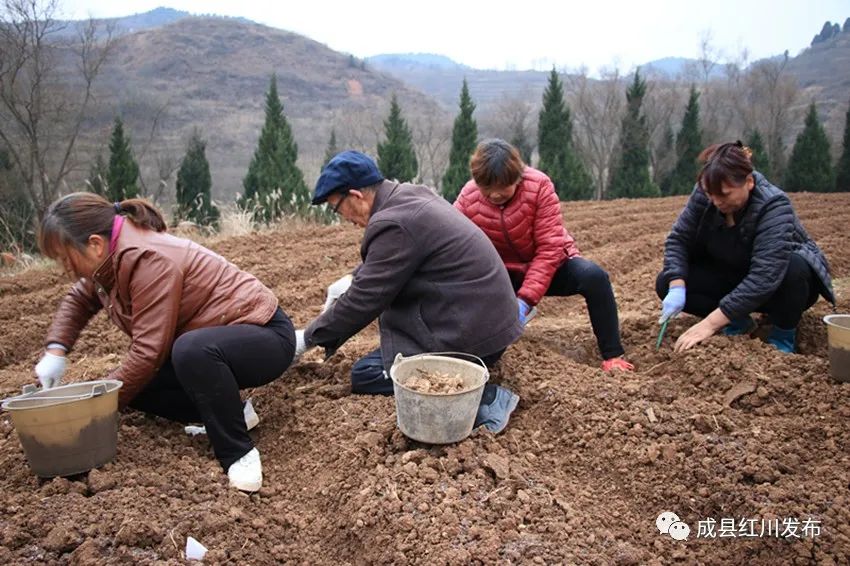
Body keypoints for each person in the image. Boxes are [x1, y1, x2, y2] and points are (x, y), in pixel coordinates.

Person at [35, 193, 295, 492]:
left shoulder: (146, 257)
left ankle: (239, 453)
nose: (64, 268)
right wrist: (56, 349)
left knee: (188, 352)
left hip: (264, 336)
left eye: (65, 258)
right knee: (134, 386)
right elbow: (80, 299)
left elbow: (148, 352)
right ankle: (234, 414)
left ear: (94, 244)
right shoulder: (110, 260)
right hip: (218, 341)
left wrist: (91, 413)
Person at [296, 150, 524, 433]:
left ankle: (485, 401)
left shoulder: (393, 222)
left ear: (355, 195)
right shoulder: (408, 197)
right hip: (481, 318)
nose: (341, 217)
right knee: (387, 357)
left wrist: (307, 339)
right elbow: (392, 258)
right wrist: (351, 277)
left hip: (471, 331)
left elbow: (365, 299)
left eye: (336, 207)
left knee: (367, 374)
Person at [453, 139, 634, 372]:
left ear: (517, 177)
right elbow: (452, 239)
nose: (495, 194)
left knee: (594, 277)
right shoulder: (469, 196)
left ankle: (613, 354)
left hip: (551, 265)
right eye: (487, 188)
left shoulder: (539, 186)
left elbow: (549, 248)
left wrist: (525, 300)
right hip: (501, 272)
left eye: (502, 186)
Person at [656, 141, 835, 353]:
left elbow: (765, 276)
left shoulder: (774, 204)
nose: (716, 202)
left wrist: (709, 324)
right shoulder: (707, 193)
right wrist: (677, 286)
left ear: (748, 182)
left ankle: (783, 334)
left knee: (794, 267)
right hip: (735, 274)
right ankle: (737, 320)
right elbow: (679, 238)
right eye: (710, 195)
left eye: (724, 194)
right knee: (666, 281)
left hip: (780, 290)